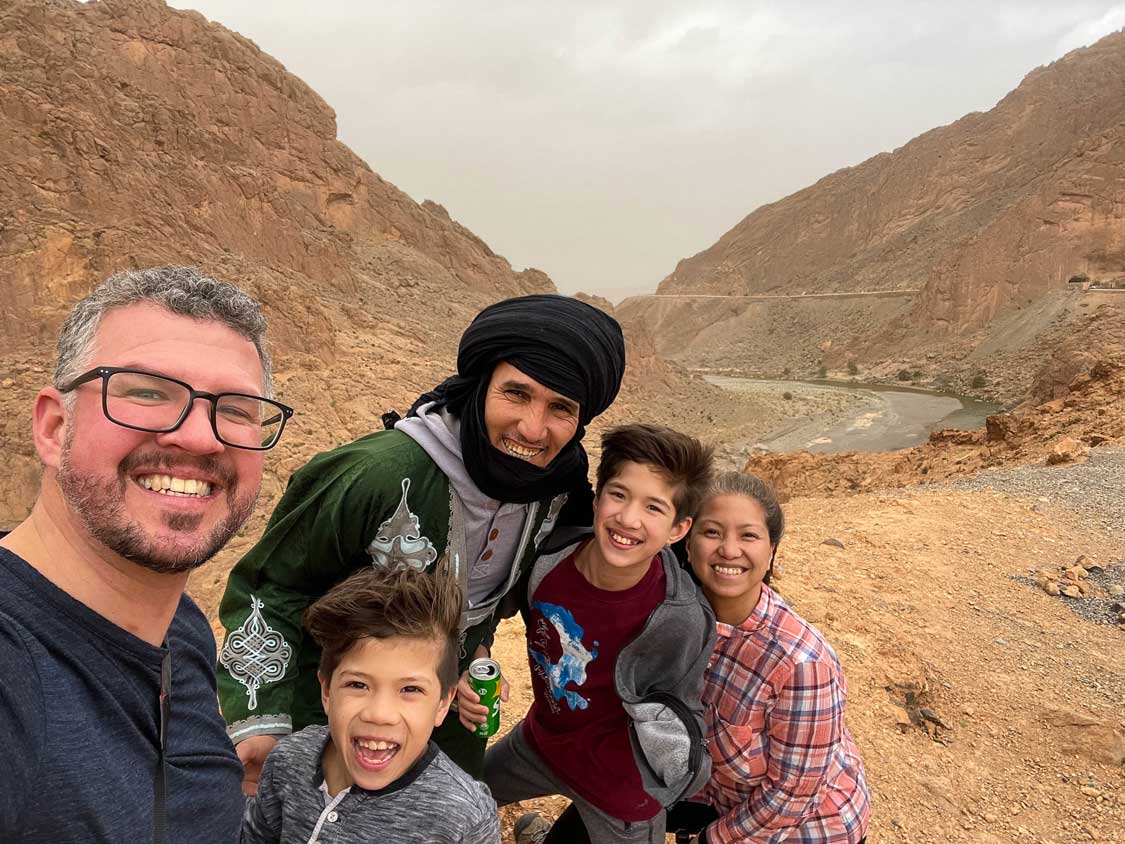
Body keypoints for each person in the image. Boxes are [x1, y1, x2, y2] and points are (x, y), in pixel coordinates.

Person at [219, 294, 626, 792]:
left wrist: (473, 654)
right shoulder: (378, 474)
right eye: (516, 394)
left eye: (560, 408)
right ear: (478, 389)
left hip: (449, 712)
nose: (532, 428)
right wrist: (261, 717)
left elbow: (489, 598)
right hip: (332, 712)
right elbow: (271, 585)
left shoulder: (555, 493)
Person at [0, 267, 292, 843]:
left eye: (235, 408)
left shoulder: (178, 630)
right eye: (147, 392)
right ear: (55, 427)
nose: (201, 438)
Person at [478, 423, 717, 844]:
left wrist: (661, 784)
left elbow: (683, 715)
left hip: (618, 791)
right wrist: (480, 655)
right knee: (460, 791)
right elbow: (488, 607)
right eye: (619, 495)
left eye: (654, 508)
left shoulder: (678, 619)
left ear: (678, 529)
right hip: (538, 744)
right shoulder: (549, 559)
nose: (628, 519)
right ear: (598, 496)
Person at [241, 565, 500, 844]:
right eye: (358, 685)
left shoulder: (466, 817)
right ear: (327, 691)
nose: (380, 714)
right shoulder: (287, 760)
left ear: (442, 704)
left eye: (410, 689)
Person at [678, 471, 870, 843]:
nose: (729, 550)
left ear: (771, 552)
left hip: (808, 828)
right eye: (712, 532)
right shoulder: (682, 620)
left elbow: (792, 796)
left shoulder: (801, 665)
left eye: (748, 535)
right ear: (687, 543)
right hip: (722, 794)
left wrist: (710, 839)